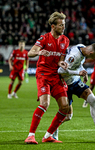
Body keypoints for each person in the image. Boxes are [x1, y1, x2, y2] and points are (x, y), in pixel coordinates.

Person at [24, 12, 70, 144]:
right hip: (43, 74)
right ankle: (31, 135)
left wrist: (61, 63)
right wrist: (39, 52)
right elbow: (30, 53)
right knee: (45, 103)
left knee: (65, 107)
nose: (63, 27)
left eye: (64, 25)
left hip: (56, 75)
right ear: (53, 26)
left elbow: (61, 59)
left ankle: (48, 136)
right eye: (61, 25)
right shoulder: (44, 38)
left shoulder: (65, 40)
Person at [54, 43, 95, 141]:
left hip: (76, 82)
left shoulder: (81, 47)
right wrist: (78, 73)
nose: (92, 59)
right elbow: (60, 71)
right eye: (93, 57)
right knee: (68, 116)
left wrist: (83, 71)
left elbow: (79, 64)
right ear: (90, 53)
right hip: (65, 85)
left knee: (93, 100)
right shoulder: (73, 56)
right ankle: (54, 130)